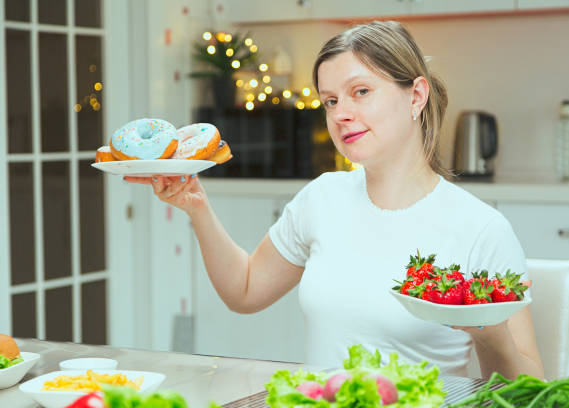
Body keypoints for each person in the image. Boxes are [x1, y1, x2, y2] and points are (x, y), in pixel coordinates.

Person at [126, 20, 544, 380]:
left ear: (416, 96)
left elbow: (529, 388)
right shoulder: (323, 197)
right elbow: (246, 291)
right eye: (330, 100)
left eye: (360, 91)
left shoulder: (479, 228)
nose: (340, 113)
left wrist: (492, 334)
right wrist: (197, 205)